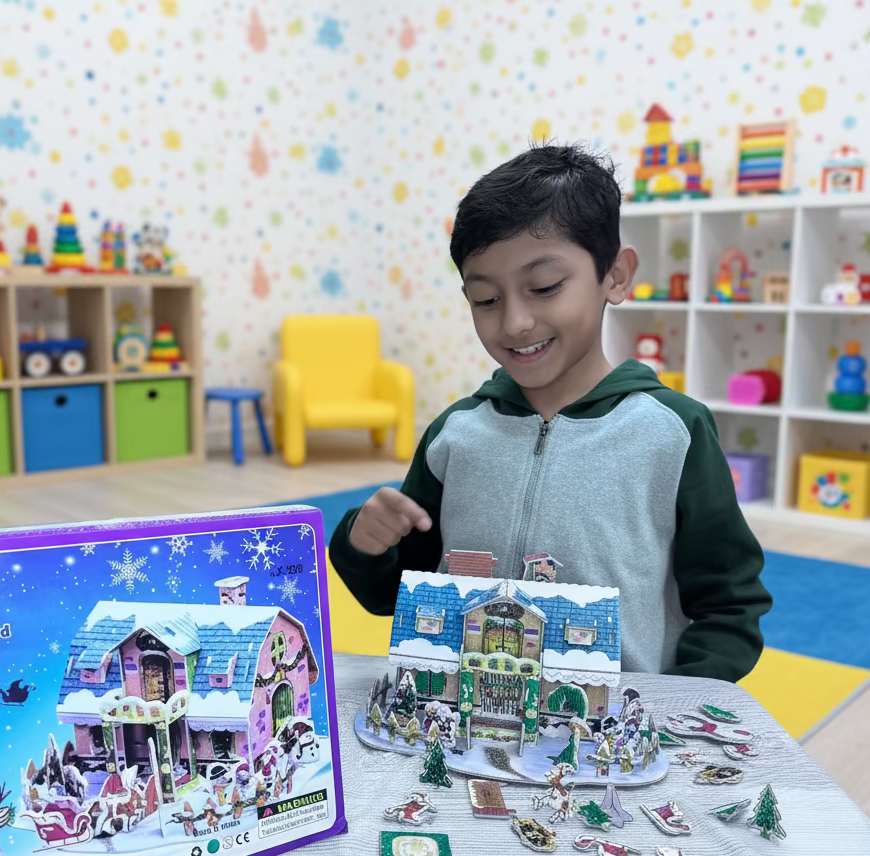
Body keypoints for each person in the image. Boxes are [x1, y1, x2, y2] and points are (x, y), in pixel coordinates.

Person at [329, 143, 771, 682]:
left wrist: (675, 705)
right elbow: (392, 594)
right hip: (457, 716)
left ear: (616, 276)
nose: (514, 322)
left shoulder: (671, 432)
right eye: (485, 300)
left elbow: (729, 603)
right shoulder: (456, 434)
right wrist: (362, 543)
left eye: (544, 287)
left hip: (602, 737)